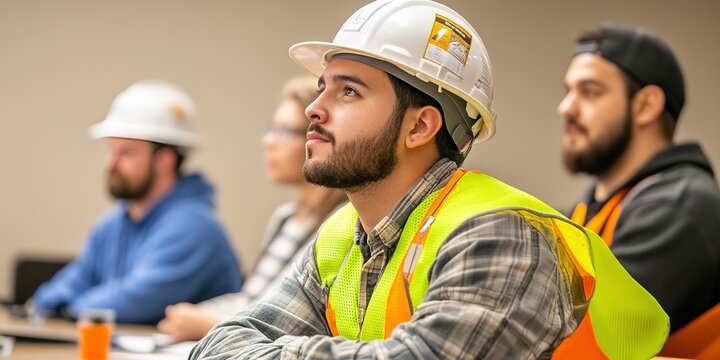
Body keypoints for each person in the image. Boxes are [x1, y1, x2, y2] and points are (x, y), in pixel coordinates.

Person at [191, 1, 667, 358]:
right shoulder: (341, 236)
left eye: (349, 91)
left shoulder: (504, 235)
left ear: (420, 126)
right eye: (323, 87)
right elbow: (217, 345)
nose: (314, 110)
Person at [30, 80, 244, 324]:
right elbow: (78, 277)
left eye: (127, 153)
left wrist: (66, 308)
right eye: (111, 150)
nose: (111, 164)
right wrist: (44, 303)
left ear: (165, 159)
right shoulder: (111, 225)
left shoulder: (195, 228)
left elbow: (135, 300)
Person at [157, 77, 347, 341]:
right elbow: (253, 299)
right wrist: (197, 315)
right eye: (271, 129)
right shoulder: (285, 218)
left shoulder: (339, 225)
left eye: (285, 131)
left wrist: (207, 324)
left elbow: (290, 321)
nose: (268, 142)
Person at [558, 24, 720, 332]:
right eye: (568, 91)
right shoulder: (584, 214)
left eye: (590, 92)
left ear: (646, 106)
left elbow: (586, 333)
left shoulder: (681, 207)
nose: (565, 107)